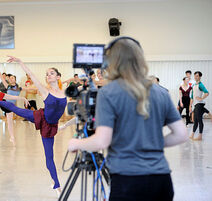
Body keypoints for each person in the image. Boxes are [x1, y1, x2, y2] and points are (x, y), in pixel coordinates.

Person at [67, 37, 188, 201]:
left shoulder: (108, 92)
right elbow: (181, 134)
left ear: (111, 61)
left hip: (127, 180)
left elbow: (102, 141)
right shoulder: (161, 92)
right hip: (161, 180)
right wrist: (152, 143)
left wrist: (76, 143)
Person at [0, 55, 67, 196]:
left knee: (49, 157)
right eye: (47, 74)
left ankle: (54, 182)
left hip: (50, 127)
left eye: (51, 73)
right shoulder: (45, 91)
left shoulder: (65, 92)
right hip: (40, 117)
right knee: (14, 108)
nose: (48, 76)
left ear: (58, 76)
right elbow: (33, 76)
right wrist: (20, 62)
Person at [189, 71, 209, 141]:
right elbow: (192, 97)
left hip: (199, 104)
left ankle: (200, 136)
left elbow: (207, 93)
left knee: (199, 120)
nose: (195, 77)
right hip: (196, 104)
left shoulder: (201, 85)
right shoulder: (193, 85)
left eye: (197, 76)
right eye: (195, 76)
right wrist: (190, 106)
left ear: (200, 77)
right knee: (195, 120)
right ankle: (192, 134)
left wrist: (201, 98)